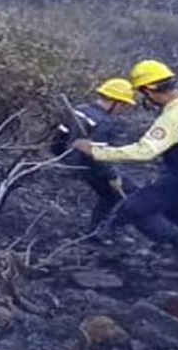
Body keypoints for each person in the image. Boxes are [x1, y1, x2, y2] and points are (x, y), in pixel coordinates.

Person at [73, 59, 178, 266]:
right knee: (174, 216)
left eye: (142, 94)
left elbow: (144, 152)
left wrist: (95, 150)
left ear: (150, 91)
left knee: (135, 209)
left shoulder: (172, 118)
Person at [52, 78, 138, 237]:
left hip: (69, 160)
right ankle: (99, 232)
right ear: (116, 102)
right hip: (85, 165)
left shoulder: (79, 110)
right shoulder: (104, 122)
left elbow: (57, 140)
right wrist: (113, 176)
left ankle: (102, 229)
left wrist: (63, 158)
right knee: (119, 193)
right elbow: (98, 156)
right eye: (125, 105)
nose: (124, 110)